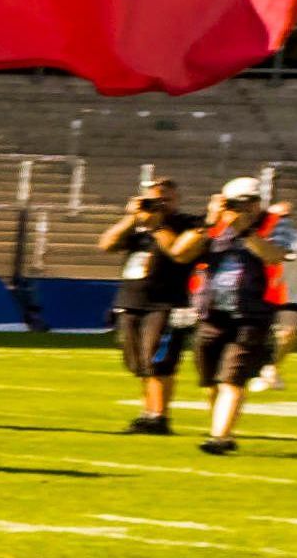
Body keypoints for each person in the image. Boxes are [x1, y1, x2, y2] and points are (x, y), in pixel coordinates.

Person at [180, 180, 277, 456]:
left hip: (251, 315)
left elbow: (274, 256)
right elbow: (181, 253)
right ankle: (221, 428)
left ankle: (219, 437)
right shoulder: (213, 229)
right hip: (212, 314)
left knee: (232, 379)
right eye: (234, 203)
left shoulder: (273, 225)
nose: (241, 208)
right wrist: (209, 222)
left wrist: (245, 230)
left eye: (247, 202)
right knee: (210, 382)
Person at [107, 175, 196, 434]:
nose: (160, 205)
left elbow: (178, 251)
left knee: (159, 361)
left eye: (166, 200)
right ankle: (148, 412)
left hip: (167, 301)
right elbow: (107, 243)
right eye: (155, 200)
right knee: (139, 363)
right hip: (133, 299)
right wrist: (131, 218)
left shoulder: (184, 224)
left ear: (176, 200)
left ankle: (159, 416)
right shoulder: (138, 226)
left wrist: (158, 225)